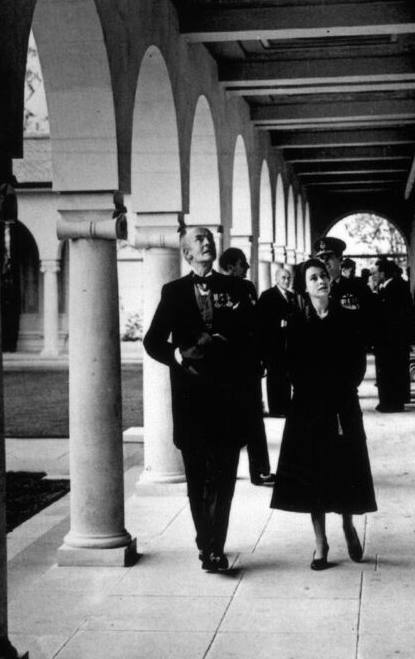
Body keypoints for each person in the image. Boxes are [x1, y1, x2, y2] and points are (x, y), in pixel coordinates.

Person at [144, 227, 259, 572]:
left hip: (227, 400)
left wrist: (229, 345)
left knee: (224, 478)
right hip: (190, 401)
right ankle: (205, 541)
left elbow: (252, 338)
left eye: (209, 237)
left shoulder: (237, 288)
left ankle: (214, 547)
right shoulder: (173, 292)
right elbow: (152, 341)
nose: (207, 242)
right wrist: (178, 355)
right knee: (197, 478)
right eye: (199, 239)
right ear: (187, 253)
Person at [271, 258, 377, 570]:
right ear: (304, 287)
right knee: (311, 474)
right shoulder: (295, 322)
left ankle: (348, 524)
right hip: (308, 407)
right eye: (313, 278)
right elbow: (290, 366)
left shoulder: (347, 319)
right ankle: (320, 542)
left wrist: (341, 390)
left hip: (342, 404)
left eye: (323, 276)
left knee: (345, 468)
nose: (321, 281)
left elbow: (357, 364)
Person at [219, 247, 275, 487]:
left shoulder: (248, 287)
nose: (248, 267)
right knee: (227, 420)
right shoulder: (217, 288)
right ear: (230, 266)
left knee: (254, 417)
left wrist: (262, 358)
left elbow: (258, 324)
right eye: (243, 263)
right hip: (227, 367)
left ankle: (260, 470)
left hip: (249, 365)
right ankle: (226, 471)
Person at [373, 258, 415, 413]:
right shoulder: (386, 286)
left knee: (393, 371)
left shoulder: (397, 287)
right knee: (388, 370)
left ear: (383, 273)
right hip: (388, 338)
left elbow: (397, 315)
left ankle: (393, 402)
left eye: (376, 272)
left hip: (394, 339)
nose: (374, 275)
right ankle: (388, 401)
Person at [256, 267, 298, 417]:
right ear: (276, 279)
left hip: (288, 344)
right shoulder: (267, 296)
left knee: (286, 376)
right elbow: (261, 321)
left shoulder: (292, 297)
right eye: (283, 278)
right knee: (275, 376)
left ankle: (285, 407)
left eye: (288, 278)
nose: (286, 281)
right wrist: (278, 324)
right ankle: (276, 409)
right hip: (273, 344)